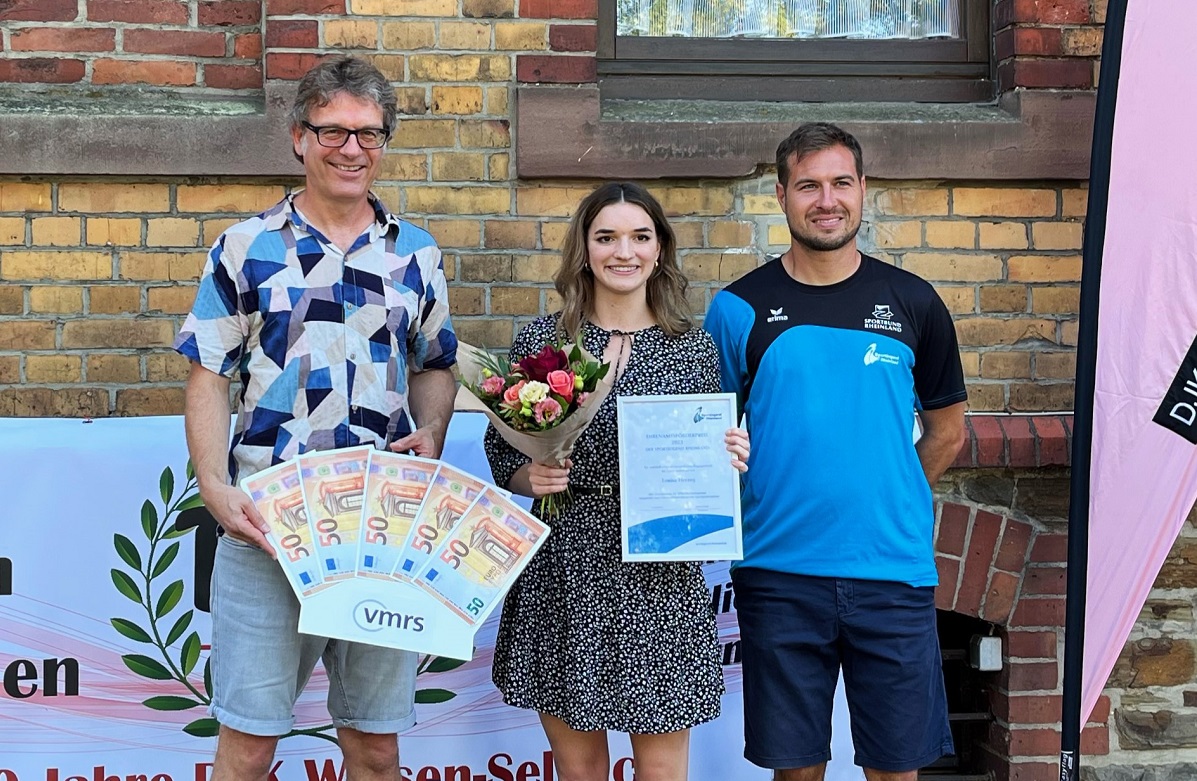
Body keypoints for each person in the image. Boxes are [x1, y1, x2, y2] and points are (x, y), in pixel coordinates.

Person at [174, 55, 457, 781]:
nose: (352, 149)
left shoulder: (415, 254)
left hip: (379, 529)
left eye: (368, 133)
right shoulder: (246, 246)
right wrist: (212, 484)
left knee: (374, 742)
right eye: (333, 131)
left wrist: (431, 433)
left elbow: (434, 363)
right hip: (269, 526)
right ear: (299, 137)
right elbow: (208, 371)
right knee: (248, 743)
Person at [703, 123, 967, 781]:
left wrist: (888, 491)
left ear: (862, 190)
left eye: (840, 183)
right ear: (781, 195)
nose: (826, 199)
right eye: (808, 185)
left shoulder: (914, 303)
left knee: (895, 767)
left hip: (892, 571)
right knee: (795, 769)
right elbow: (707, 436)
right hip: (778, 573)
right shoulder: (737, 309)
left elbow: (947, 431)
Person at [483, 182, 750, 781]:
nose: (622, 251)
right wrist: (533, 475)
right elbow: (503, 449)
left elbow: (709, 461)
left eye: (639, 237)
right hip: (567, 563)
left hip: (659, 570)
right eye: (606, 237)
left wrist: (729, 453)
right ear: (584, 249)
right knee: (581, 771)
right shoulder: (544, 342)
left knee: (661, 770)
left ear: (659, 251)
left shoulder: (693, 349)